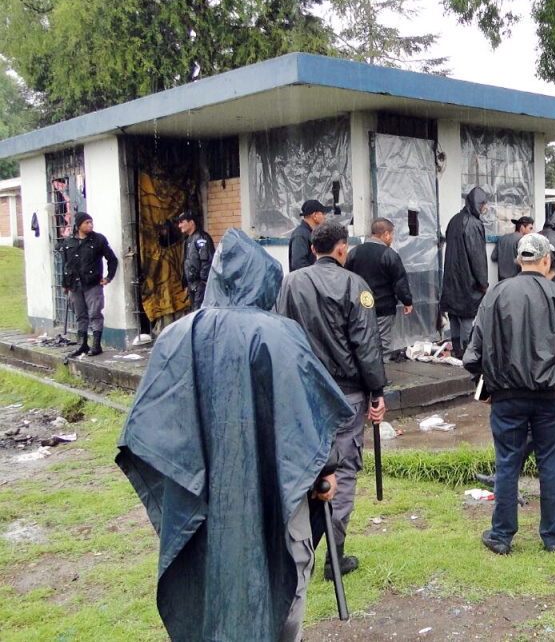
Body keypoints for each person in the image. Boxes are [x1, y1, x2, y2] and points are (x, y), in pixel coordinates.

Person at [116, 229, 353, 642]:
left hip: (202, 497)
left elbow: (152, 425)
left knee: (208, 578)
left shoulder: (175, 337)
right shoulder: (282, 336)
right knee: (284, 578)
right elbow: (311, 417)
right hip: (275, 491)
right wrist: (324, 473)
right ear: (264, 282)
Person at [463, 233, 555, 554]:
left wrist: (486, 386)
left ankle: (502, 535)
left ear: (519, 261)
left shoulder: (496, 295)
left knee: (507, 463)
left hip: (507, 397)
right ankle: (553, 534)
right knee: (552, 463)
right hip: (553, 396)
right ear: (546, 260)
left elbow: (472, 354)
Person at [276, 220, 387, 579]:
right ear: (342, 249)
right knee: (343, 472)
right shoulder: (355, 286)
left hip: (302, 394)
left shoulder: (290, 283)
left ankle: (298, 551)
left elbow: (279, 335)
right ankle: (333, 557)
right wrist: (377, 392)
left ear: (312, 249)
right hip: (345, 396)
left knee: (304, 470)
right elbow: (367, 346)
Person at [345, 217, 414, 361]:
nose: (392, 239)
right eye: (392, 235)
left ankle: (366, 376)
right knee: (383, 344)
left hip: (359, 308)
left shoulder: (354, 252)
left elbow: (346, 278)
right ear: (386, 234)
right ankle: (383, 375)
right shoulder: (389, 254)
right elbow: (400, 282)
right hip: (383, 308)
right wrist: (407, 301)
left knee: (362, 341)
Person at [440, 187, 489, 359]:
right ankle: (468, 351)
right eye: (484, 205)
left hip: (451, 278)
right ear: (479, 204)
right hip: (468, 280)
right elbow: (478, 257)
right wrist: (483, 283)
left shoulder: (454, 220)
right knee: (468, 316)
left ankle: (456, 349)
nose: (485, 208)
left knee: (454, 315)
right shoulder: (474, 224)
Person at [61, 212, 118, 357]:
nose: (90, 225)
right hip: (74, 284)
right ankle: (82, 344)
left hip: (92, 283)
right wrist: (65, 284)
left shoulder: (98, 239)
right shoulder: (69, 242)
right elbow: (66, 264)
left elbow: (112, 259)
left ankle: (96, 344)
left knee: (95, 313)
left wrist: (108, 277)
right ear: (78, 225)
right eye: (86, 222)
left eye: (91, 222)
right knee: (80, 315)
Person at [179, 210, 215, 310]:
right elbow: (187, 262)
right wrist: (186, 284)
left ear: (191, 223)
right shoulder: (188, 240)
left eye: (182, 222)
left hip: (200, 284)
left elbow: (206, 260)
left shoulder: (201, 238)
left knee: (199, 312)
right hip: (192, 284)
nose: (179, 226)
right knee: (194, 312)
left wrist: (203, 281)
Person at [492, 216, 535, 281]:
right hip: (516, 281)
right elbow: (527, 262)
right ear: (522, 227)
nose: (531, 231)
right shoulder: (523, 240)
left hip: (501, 281)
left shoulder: (503, 238)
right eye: (530, 228)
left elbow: (494, 257)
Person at [289, 199, 327, 271]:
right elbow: (298, 264)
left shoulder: (311, 233)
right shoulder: (300, 235)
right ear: (314, 215)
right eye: (322, 213)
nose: (324, 217)